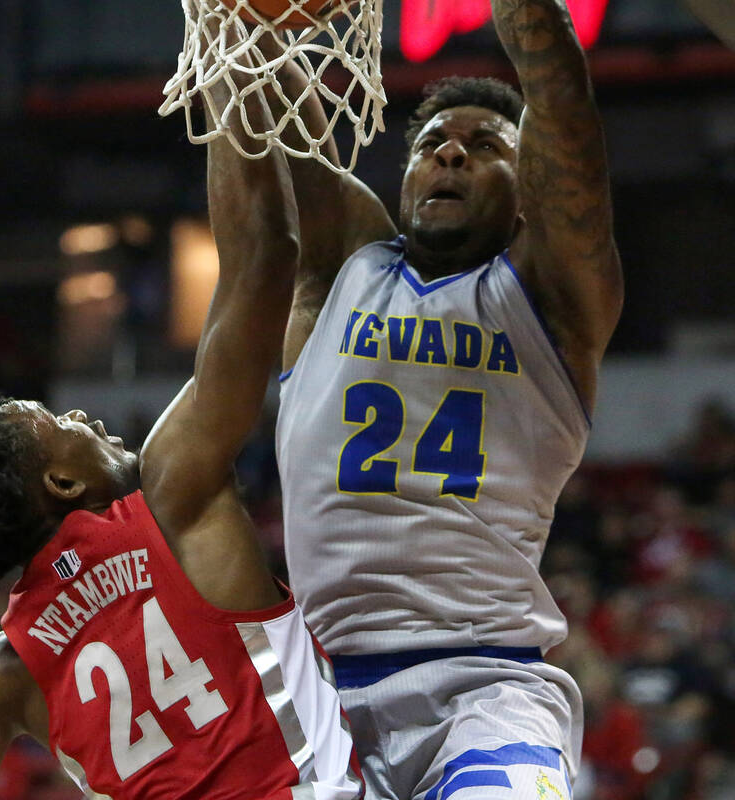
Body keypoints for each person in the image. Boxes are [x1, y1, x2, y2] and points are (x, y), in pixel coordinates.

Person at [0, 80, 362, 800]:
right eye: (59, 423)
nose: (86, 421)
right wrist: (227, 72)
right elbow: (266, 259)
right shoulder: (170, 494)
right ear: (62, 485)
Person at [233, 1, 622, 798]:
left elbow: (565, 109)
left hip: (485, 687)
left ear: (527, 194)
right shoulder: (345, 263)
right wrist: (243, 21)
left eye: (485, 145)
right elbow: (277, 112)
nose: (450, 151)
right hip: (315, 697)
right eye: (431, 143)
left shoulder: (550, 295)